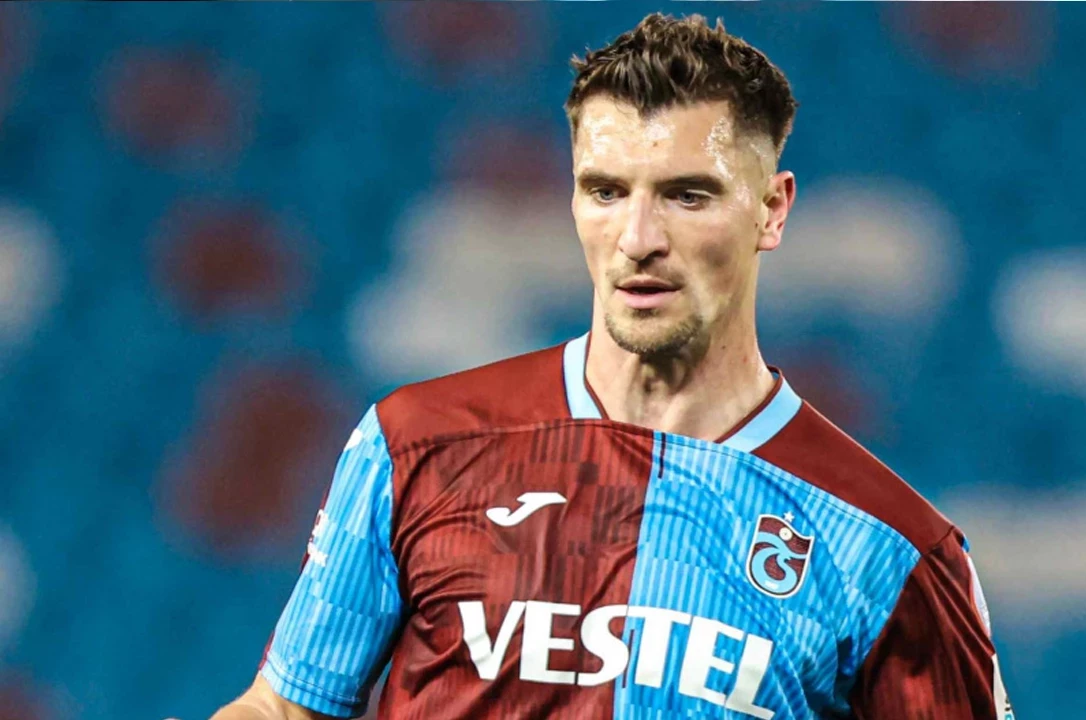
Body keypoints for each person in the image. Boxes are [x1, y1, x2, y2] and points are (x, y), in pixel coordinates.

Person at [205, 12, 1013, 720]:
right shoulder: (416, 445)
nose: (637, 239)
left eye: (687, 195)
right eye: (605, 191)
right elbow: (287, 705)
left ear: (772, 209)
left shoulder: (890, 547)